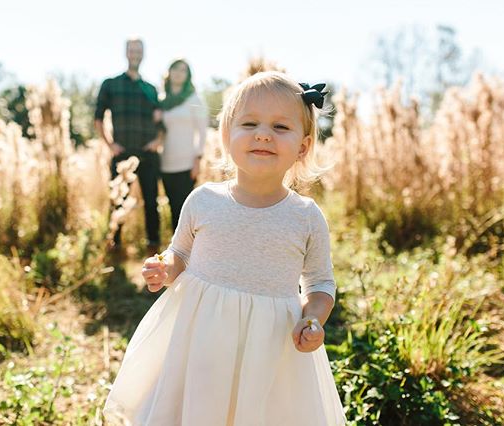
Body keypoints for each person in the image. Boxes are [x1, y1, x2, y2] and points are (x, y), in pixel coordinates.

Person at [103, 72, 346, 425]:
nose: (263, 134)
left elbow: (320, 284)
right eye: (249, 123)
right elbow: (180, 253)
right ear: (226, 135)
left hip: (269, 350)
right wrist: (165, 268)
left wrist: (313, 318)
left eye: (280, 127)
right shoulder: (204, 200)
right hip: (201, 340)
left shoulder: (305, 217)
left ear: (304, 147)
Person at [95, 37, 164, 255]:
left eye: (139, 50)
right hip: (122, 154)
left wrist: (158, 141)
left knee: (152, 203)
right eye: (132, 50)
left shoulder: (151, 89)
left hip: (148, 156)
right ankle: (114, 246)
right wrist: (110, 144)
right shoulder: (110, 84)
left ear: (143, 54)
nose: (135, 54)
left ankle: (153, 247)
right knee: (118, 200)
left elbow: (161, 123)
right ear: (126, 53)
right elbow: (98, 118)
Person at [159, 59, 208, 231]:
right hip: (166, 163)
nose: (179, 73)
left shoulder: (194, 99)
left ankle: (190, 253)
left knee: (186, 211)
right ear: (169, 72)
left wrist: (197, 159)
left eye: (183, 70)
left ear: (188, 76)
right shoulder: (162, 101)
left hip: (187, 163)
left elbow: (202, 132)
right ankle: (176, 253)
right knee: (173, 208)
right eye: (175, 69)